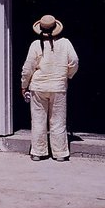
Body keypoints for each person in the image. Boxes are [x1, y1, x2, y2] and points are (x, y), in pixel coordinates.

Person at [21, 15, 79, 162]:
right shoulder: (66, 43)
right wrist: (67, 76)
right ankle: (60, 153)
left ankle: (38, 152)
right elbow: (74, 62)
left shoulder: (35, 44)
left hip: (38, 87)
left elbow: (28, 68)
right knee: (58, 121)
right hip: (58, 87)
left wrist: (24, 85)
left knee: (38, 120)